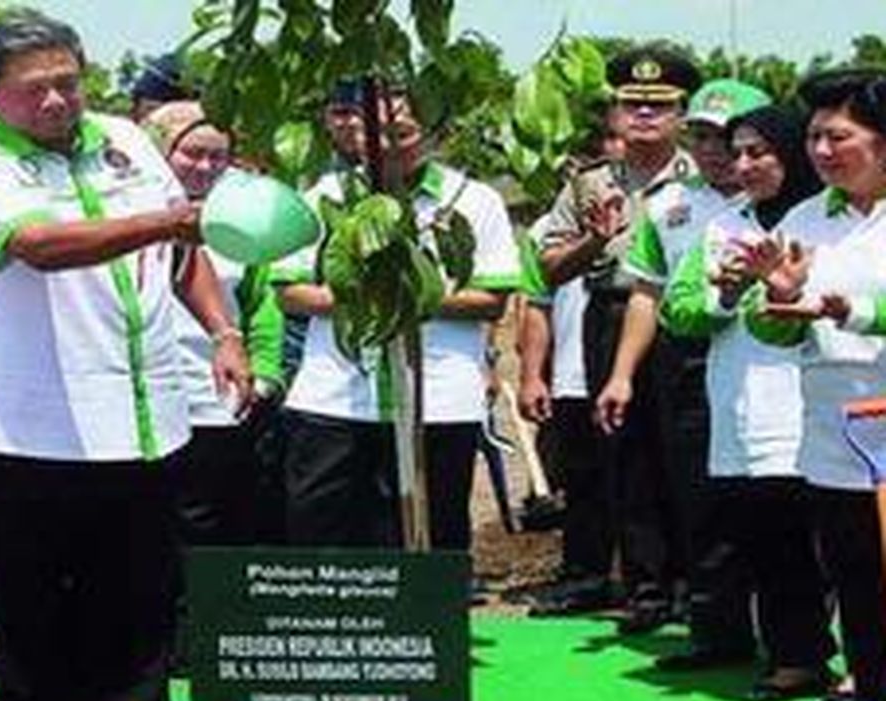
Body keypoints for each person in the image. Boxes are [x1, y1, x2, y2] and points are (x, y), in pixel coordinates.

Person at [0, 13, 249, 701]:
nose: (56, 101)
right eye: (33, 89)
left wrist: (224, 331)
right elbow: (40, 248)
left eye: (68, 83)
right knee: (31, 587)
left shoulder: (125, 138)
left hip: (144, 412)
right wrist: (167, 220)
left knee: (139, 581)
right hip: (26, 422)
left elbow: (183, 252)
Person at [274, 91, 520, 553]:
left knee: (433, 536)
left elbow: (491, 297)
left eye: (402, 134)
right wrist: (368, 300)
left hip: (439, 399)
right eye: (375, 132)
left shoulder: (472, 201)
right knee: (322, 535)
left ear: (434, 136)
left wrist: (409, 297)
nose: (386, 146)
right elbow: (290, 290)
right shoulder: (325, 197)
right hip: (336, 397)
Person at [661, 103, 837, 701]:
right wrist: (729, 293)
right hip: (746, 407)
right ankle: (797, 656)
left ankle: (858, 662)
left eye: (757, 152)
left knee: (841, 543)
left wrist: (785, 288)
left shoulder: (824, 221)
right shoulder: (721, 225)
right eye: (736, 153)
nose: (742, 165)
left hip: (821, 402)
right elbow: (678, 309)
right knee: (772, 538)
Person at [595, 78, 771, 662]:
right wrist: (622, 374)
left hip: (769, 362)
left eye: (728, 137)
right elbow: (647, 292)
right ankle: (718, 631)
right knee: (698, 497)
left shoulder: (785, 201)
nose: (716, 151)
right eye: (702, 137)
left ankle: (793, 638)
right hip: (687, 363)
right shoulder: (667, 205)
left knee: (773, 501)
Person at [744, 68, 886, 701]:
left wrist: (849, 309)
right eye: (814, 138)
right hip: (838, 444)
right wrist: (777, 297)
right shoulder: (802, 222)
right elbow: (769, 328)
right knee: (862, 598)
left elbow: (852, 309)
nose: (822, 151)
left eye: (839, 136)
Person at [539, 45, 701, 634]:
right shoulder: (588, 184)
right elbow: (549, 268)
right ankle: (647, 587)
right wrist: (591, 240)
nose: (644, 115)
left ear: (682, 114)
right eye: (632, 104)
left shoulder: (703, 178)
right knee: (624, 454)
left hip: (682, 324)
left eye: (660, 106)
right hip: (609, 316)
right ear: (614, 113)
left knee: (685, 452)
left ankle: (696, 585)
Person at [144, 100, 285, 545]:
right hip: (143, 396)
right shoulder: (125, 211)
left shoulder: (243, 219)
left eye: (218, 157)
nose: (205, 167)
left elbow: (262, 301)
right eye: (192, 154)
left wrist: (265, 373)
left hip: (214, 396)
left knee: (209, 518)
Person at [518, 107, 625, 614]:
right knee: (583, 481)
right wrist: (532, 374)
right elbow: (536, 303)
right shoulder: (548, 230)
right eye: (606, 140)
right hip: (574, 373)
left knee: (643, 478)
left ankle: (653, 583)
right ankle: (585, 575)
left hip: (633, 367)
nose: (616, 148)